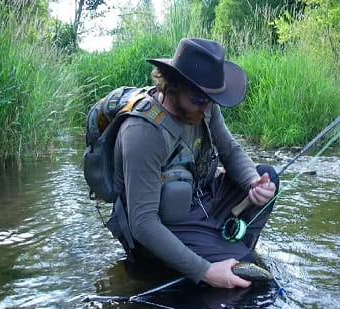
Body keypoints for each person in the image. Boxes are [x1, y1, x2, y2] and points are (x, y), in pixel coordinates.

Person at [111, 37, 279, 289]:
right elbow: (143, 223)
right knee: (248, 277)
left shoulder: (205, 104)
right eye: (199, 100)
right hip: (166, 225)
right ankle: (218, 262)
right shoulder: (142, 132)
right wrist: (206, 272)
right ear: (172, 85)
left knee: (268, 175)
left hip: (201, 200)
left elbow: (231, 151)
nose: (206, 108)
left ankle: (233, 250)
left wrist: (254, 183)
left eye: (211, 100)